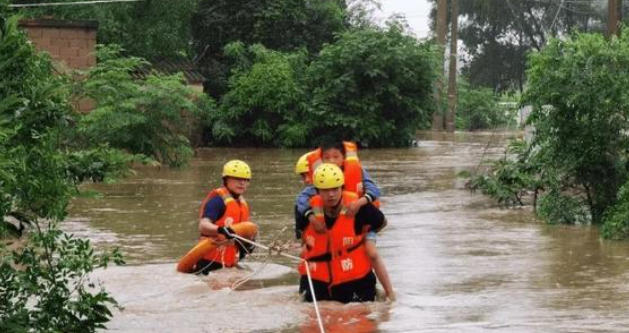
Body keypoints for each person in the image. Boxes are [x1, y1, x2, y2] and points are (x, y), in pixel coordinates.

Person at [296, 141, 395, 300]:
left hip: (358, 231)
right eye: (325, 191)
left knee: (372, 252)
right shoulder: (306, 203)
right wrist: (312, 219)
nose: (331, 195)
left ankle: (390, 294)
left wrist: (363, 234)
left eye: (335, 189)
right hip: (320, 276)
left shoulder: (360, 195)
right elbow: (302, 240)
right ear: (317, 191)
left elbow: (380, 215)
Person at [193, 160, 256, 274]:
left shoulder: (242, 204)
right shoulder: (218, 201)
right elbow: (203, 225)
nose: (242, 183)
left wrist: (248, 243)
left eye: (245, 180)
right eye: (237, 179)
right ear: (226, 179)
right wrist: (220, 230)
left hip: (228, 263)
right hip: (209, 263)